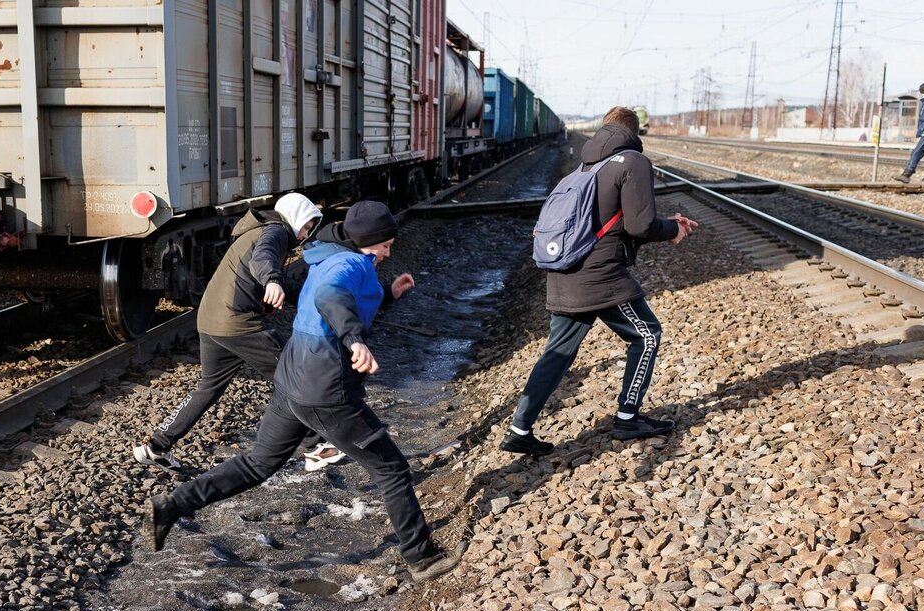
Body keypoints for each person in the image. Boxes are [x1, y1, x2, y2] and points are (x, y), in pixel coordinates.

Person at [143, 201, 463, 582]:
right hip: (326, 389)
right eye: (385, 246)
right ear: (367, 242)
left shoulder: (327, 256)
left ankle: (173, 505)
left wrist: (389, 296)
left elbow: (336, 303)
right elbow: (331, 299)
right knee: (392, 469)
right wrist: (354, 340)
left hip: (291, 382)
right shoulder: (351, 265)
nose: (387, 253)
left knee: (257, 464)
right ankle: (422, 557)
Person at [500, 106, 700, 455]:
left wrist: (660, 224)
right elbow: (641, 225)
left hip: (563, 270)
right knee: (647, 335)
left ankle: (519, 429)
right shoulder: (634, 162)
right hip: (600, 277)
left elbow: (612, 219)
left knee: (557, 351)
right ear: (634, 134)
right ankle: (627, 416)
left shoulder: (583, 167)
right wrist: (673, 229)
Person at [132, 192, 344, 471]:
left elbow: (275, 276)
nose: (307, 233)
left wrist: (313, 300)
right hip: (237, 323)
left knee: (207, 388)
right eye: (307, 225)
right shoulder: (275, 232)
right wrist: (271, 281)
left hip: (210, 320)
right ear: (295, 218)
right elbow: (263, 258)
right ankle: (317, 445)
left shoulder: (257, 231)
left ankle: (156, 446)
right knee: (294, 373)